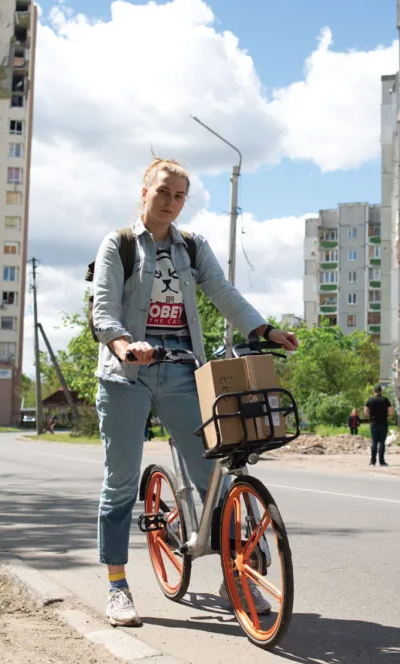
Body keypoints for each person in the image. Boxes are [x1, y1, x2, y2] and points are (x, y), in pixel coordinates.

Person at [91, 157, 299, 627]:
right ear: (145, 190)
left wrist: (263, 330)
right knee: (121, 482)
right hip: (126, 375)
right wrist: (127, 345)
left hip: (184, 370)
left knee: (213, 474)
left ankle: (235, 576)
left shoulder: (192, 246)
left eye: (180, 195)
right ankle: (118, 586)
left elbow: (222, 291)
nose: (171, 202)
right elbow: (103, 311)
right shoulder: (119, 245)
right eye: (164, 191)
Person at [364, 386, 393, 466]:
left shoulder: (370, 400)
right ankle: (382, 461)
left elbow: (365, 412)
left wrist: (372, 415)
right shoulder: (385, 400)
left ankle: (373, 461)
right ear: (381, 391)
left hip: (374, 423)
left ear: (374, 391)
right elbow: (390, 412)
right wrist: (385, 415)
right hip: (383, 423)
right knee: (382, 442)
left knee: (374, 442)